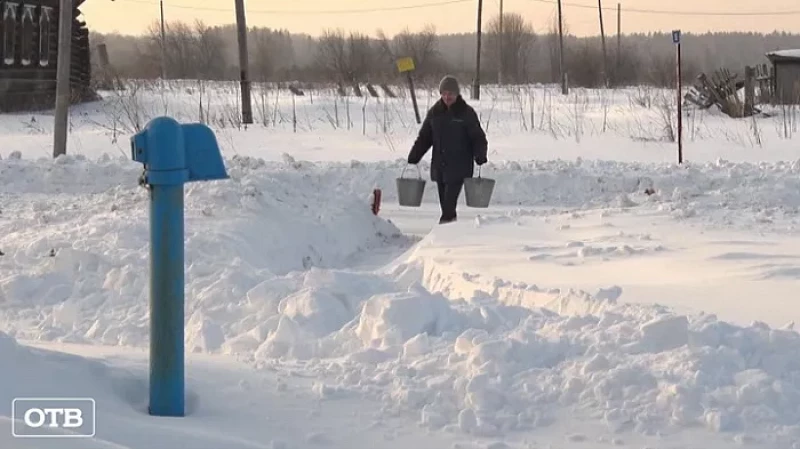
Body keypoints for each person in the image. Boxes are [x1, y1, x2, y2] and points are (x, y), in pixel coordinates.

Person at [406, 75, 488, 224]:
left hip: (459, 167)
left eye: (450, 93)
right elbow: (425, 137)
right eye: (444, 93)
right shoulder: (435, 112)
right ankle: (451, 231)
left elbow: (478, 137)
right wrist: (415, 155)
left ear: (457, 94)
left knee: (448, 206)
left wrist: (480, 154)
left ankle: (443, 233)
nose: (447, 96)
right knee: (446, 205)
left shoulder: (466, 113)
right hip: (440, 167)